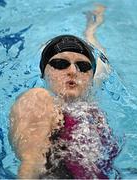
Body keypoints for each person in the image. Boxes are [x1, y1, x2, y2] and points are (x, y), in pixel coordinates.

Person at [9, 35, 119, 179]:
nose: (73, 71)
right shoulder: (38, 99)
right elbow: (31, 166)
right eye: (60, 64)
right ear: (43, 73)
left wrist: (92, 28)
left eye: (83, 66)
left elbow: (102, 64)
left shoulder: (90, 104)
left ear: (91, 78)